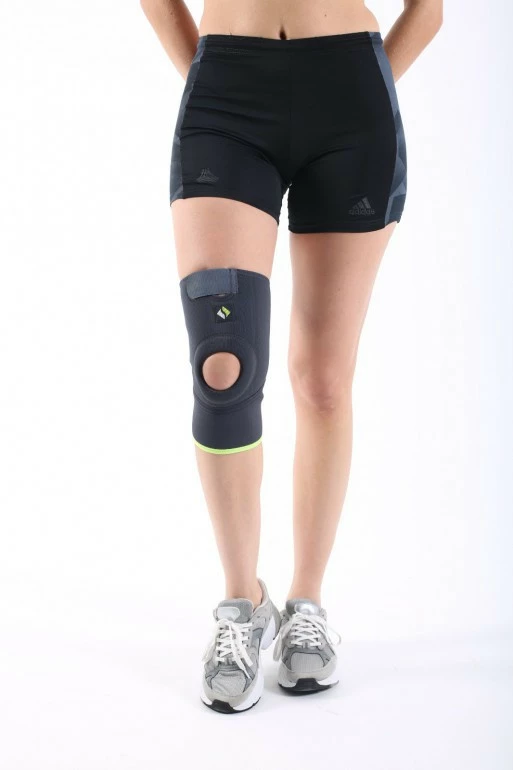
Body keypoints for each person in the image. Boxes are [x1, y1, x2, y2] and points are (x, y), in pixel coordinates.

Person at [140, 0, 443, 713]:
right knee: (223, 365)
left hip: (350, 98)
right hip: (227, 92)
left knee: (323, 381)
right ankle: (241, 603)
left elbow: (427, 12)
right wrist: (218, 82)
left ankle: (307, 603)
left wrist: (358, 94)